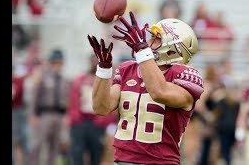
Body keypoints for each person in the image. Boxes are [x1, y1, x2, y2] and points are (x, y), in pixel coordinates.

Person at [87, 11, 204, 164]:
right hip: (122, 161)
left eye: (156, 39)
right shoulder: (127, 69)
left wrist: (142, 51)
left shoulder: (184, 75)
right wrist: (103, 69)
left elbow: (158, 92)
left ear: (172, 49)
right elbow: (101, 107)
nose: (148, 42)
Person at [67, 55, 117, 165]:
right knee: (77, 152)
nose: (95, 63)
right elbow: (72, 101)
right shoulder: (80, 79)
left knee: (97, 152)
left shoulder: (107, 82)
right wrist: (74, 119)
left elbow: (110, 102)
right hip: (80, 122)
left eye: (97, 61)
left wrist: (104, 120)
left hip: (98, 123)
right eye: (93, 60)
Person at [28, 49, 69, 165]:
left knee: (54, 146)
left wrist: (65, 115)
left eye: (60, 62)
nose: (58, 65)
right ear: (51, 63)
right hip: (44, 114)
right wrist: (33, 114)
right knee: (37, 144)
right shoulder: (42, 77)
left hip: (59, 115)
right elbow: (35, 96)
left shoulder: (63, 80)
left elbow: (66, 100)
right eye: (55, 62)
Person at [12, 65, 28, 165]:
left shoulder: (19, 81)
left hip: (17, 112)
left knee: (20, 138)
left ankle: (24, 160)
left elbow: (15, 94)